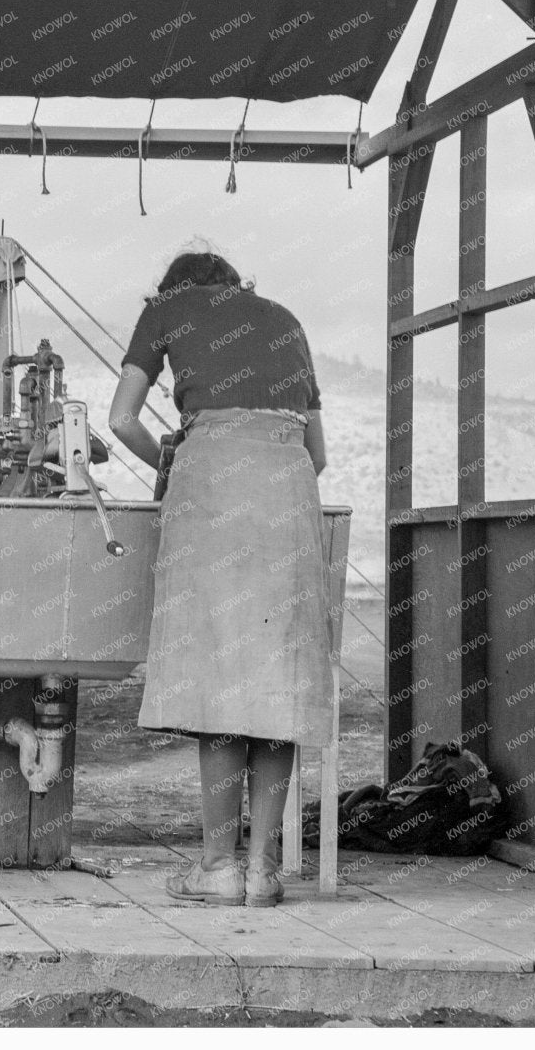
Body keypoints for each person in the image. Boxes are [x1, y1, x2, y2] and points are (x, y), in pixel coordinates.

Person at [107, 242, 333, 909]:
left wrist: (173, 456)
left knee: (218, 680)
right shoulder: (286, 319)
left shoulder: (165, 310)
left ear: (178, 286)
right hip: (288, 490)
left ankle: (216, 867)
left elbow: (121, 418)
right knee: (276, 684)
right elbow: (317, 453)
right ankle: (263, 871)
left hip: (212, 484)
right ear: (238, 285)